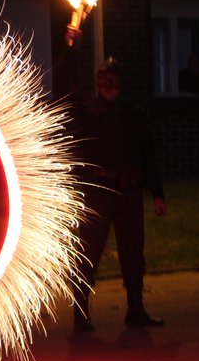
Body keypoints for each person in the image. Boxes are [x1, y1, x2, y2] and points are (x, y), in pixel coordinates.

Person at [70, 59, 166, 333]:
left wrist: (157, 194)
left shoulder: (134, 115)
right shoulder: (88, 110)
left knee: (133, 253)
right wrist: (71, 47)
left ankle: (135, 308)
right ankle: (80, 312)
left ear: (120, 81)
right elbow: (64, 83)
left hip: (129, 192)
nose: (105, 83)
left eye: (110, 77)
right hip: (99, 192)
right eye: (101, 77)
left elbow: (148, 157)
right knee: (88, 253)